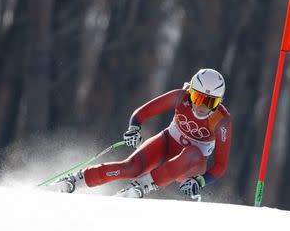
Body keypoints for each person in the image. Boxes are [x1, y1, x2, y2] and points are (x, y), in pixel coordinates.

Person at [54, 68, 231, 199]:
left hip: (192, 164)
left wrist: (200, 181)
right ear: (190, 92)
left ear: (219, 102)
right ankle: (74, 180)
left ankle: (142, 186)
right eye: (197, 98)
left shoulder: (221, 121)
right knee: (130, 167)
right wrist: (134, 128)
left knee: (193, 151)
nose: (201, 107)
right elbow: (142, 113)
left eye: (210, 102)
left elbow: (221, 165)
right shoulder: (180, 97)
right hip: (168, 142)